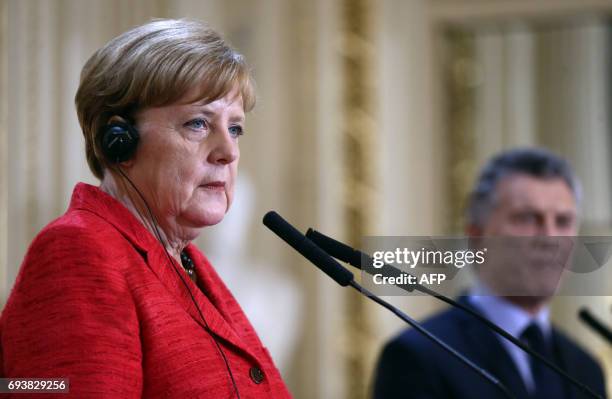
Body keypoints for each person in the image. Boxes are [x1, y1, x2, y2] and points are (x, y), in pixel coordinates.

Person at [0, 19, 291, 398]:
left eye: (235, 128)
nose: (229, 151)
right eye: (199, 123)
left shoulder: (186, 263)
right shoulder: (79, 252)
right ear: (118, 140)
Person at [373, 148, 607, 399]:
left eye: (562, 221)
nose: (549, 238)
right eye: (527, 218)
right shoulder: (418, 356)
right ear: (477, 236)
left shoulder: (586, 369)